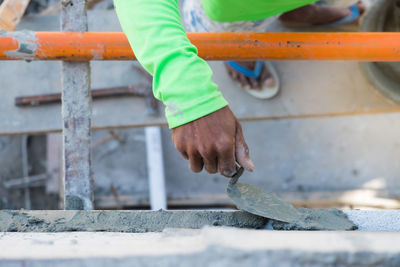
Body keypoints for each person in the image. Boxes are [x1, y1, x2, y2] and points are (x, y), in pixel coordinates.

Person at [114, 0, 365, 177]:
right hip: (235, 6)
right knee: (231, 24)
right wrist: (190, 94)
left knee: (284, 5)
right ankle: (237, 41)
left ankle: (297, 11)